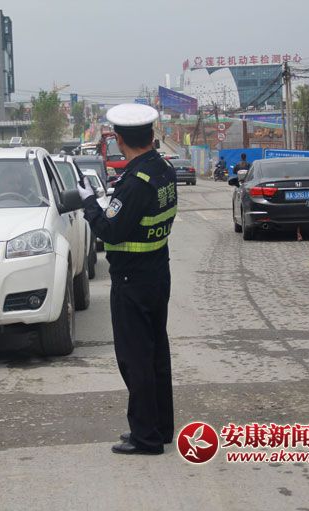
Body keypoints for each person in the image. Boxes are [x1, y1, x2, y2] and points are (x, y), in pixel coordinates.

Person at [77, 103, 176, 455]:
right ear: (151, 135)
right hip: (157, 272)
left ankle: (145, 437)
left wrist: (90, 203)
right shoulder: (163, 170)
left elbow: (110, 231)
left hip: (132, 279)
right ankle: (161, 427)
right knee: (156, 354)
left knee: (135, 359)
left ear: (119, 140)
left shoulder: (135, 183)